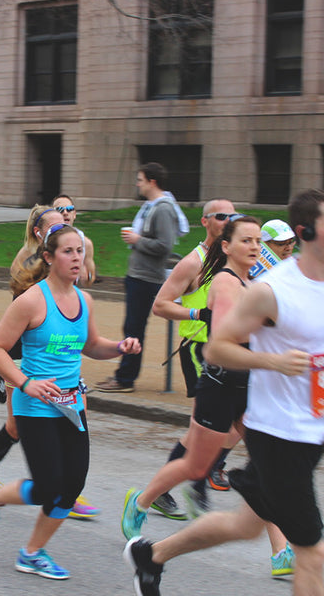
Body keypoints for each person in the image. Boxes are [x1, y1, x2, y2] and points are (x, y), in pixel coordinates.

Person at [123, 190, 324, 596]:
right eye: (245, 239)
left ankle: (152, 555)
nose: (255, 247)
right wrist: (274, 361)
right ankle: (145, 500)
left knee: (243, 525)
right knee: (314, 553)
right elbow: (217, 346)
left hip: (310, 428)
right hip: (275, 430)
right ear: (306, 232)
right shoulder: (269, 289)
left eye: (257, 241)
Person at [0, 224, 141, 579]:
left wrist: (119, 348)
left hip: (72, 405)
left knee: (71, 486)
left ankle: (32, 552)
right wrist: (24, 383)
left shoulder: (84, 300)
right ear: (49, 257)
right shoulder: (31, 300)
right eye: (68, 251)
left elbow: (90, 346)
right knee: (48, 486)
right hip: (35, 405)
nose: (77, 258)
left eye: (80, 251)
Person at [0, 205, 100, 520]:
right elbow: (13, 330)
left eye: (67, 220)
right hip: (24, 356)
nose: (64, 224)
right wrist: (22, 379)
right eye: (56, 224)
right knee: (17, 425)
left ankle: (66, 490)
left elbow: (88, 279)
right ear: (39, 234)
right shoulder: (27, 266)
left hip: (61, 369)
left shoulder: (71, 269)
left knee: (65, 473)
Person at [149, 200, 239, 521]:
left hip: (230, 350)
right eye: (221, 216)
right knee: (205, 426)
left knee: (237, 421)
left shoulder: (235, 259)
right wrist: (198, 313)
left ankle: (203, 472)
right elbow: (160, 305)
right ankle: (186, 484)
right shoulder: (193, 262)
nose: (229, 219)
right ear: (205, 221)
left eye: (233, 215)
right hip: (199, 350)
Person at [96, 162, 180, 393]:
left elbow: (165, 245)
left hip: (147, 278)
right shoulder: (151, 206)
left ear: (152, 182)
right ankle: (124, 376)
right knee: (132, 327)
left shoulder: (162, 208)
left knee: (134, 328)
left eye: (140, 180)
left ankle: (125, 379)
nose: (137, 184)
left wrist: (137, 240)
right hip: (138, 275)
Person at [51, 194, 96, 286]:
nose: (65, 212)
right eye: (59, 210)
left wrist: (87, 276)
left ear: (74, 214)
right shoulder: (44, 239)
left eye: (69, 209)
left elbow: (89, 281)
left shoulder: (85, 243)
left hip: (68, 295)